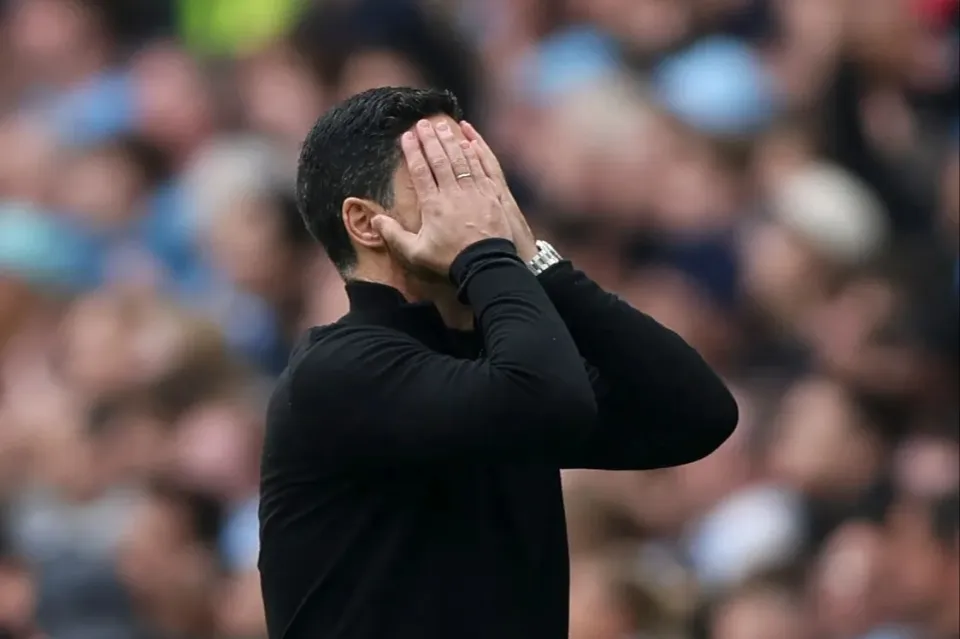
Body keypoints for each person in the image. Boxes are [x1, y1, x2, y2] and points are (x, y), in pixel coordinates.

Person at [258, 86, 739, 639]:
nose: (477, 205)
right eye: (442, 180)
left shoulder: (496, 363)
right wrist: (487, 254)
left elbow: (698, 413)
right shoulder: (338, 371)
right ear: (366, 224)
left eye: (477, 176)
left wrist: (536, 260)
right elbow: (543, 397)